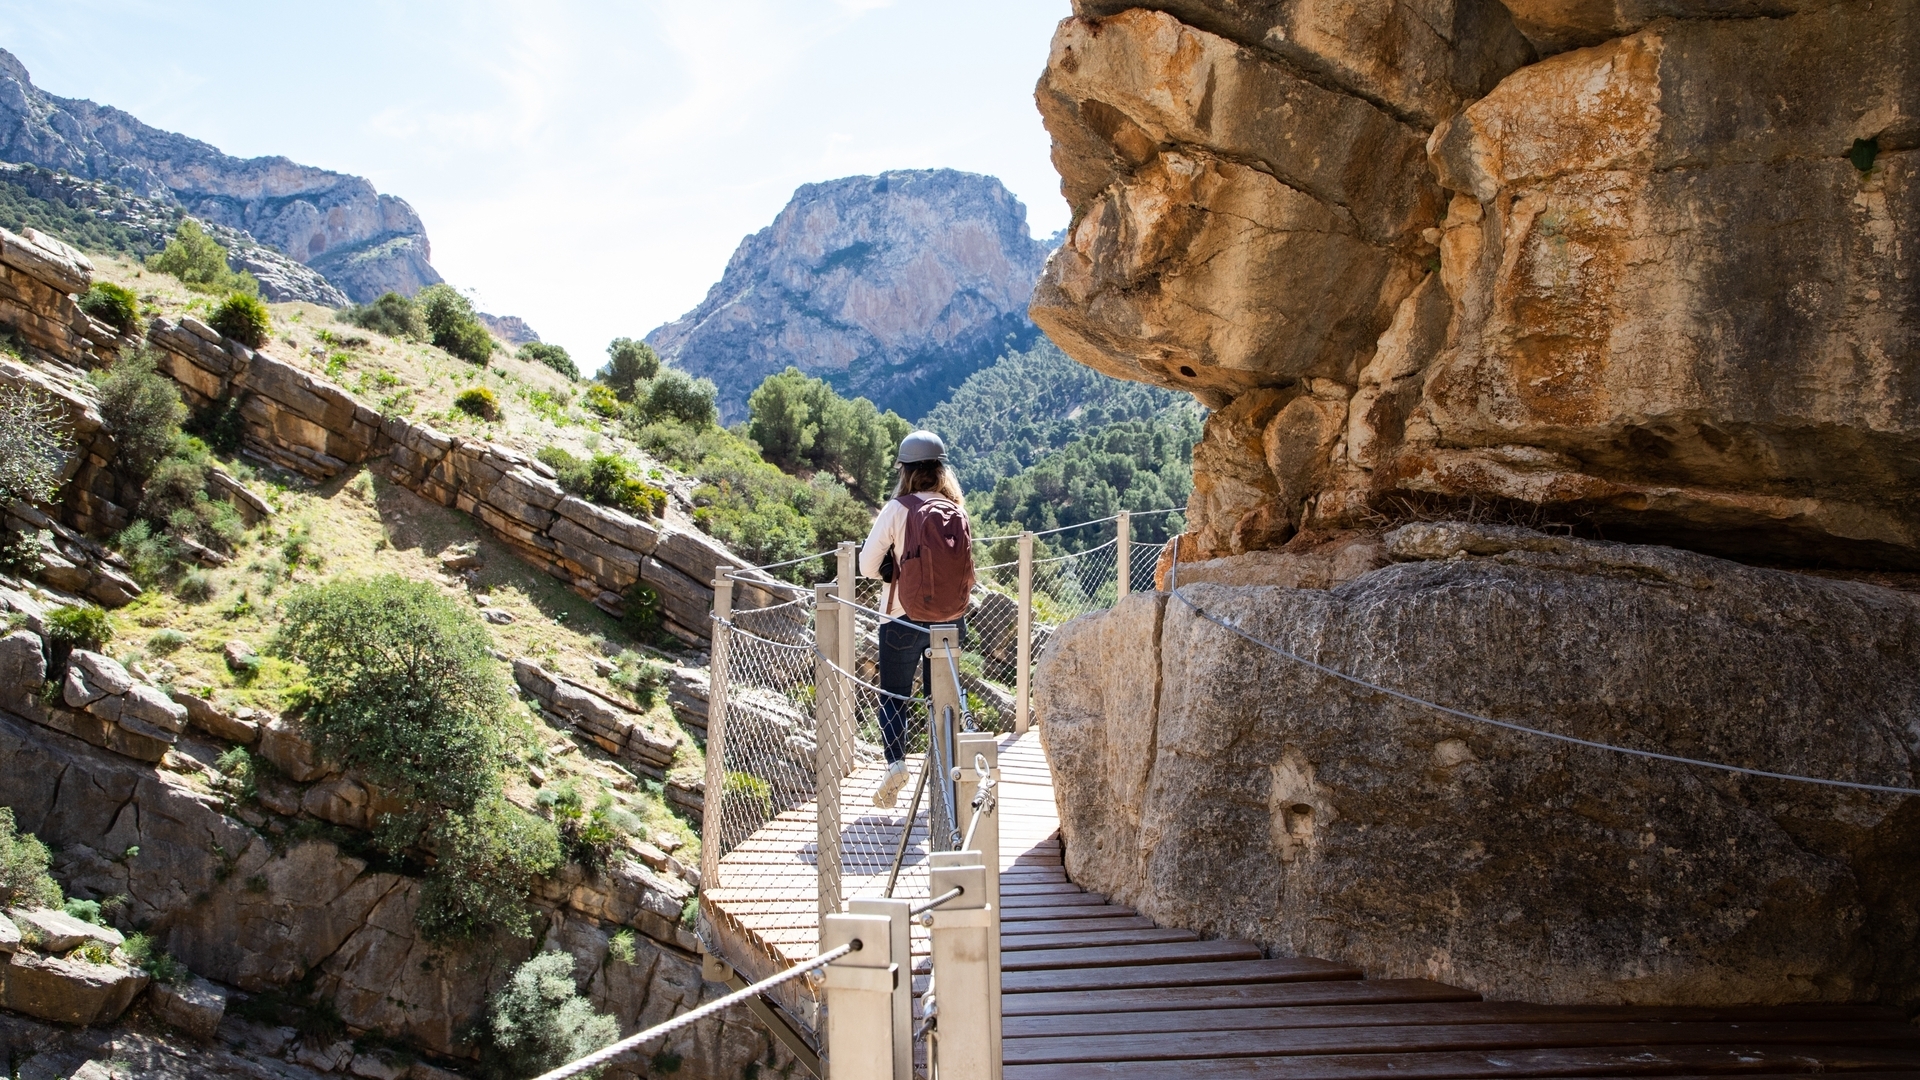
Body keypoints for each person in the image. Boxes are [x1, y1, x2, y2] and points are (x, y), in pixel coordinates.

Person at [858, 429, 975, 808]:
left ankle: (895, 763)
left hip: (902, 618)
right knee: (941, 700)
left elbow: (866, 566)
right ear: (941, 471)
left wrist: (893, 571)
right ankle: (944, 770)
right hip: (951, 620)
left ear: (905, 472)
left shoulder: (898, 509)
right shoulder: (956, 510)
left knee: (894, 696)